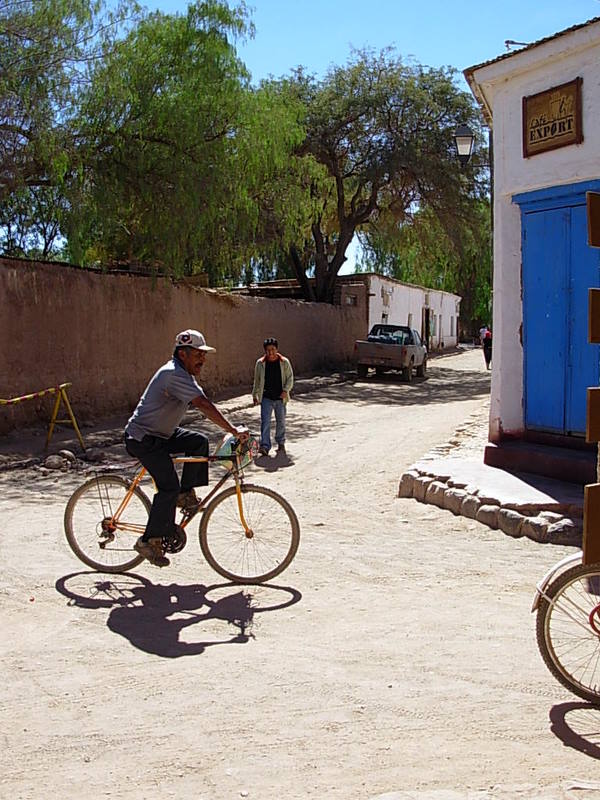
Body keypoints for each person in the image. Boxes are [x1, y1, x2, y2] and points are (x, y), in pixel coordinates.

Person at [124, 329, 248, 567]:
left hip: (162, 435)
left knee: (198, 442)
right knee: (167, 486)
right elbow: (203, 405)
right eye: (198, 354)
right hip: (143, 438)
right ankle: (148, 541)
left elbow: (204, 403)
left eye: (204, 354)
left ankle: (184, 495)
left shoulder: (185, 375)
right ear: (183, 354)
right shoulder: (174, 374)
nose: (203, 359)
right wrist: (232, 430)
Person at [252, 337, 294, 456]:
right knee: (265, 422)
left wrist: (286, 390)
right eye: (268, 350)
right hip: (266, 397)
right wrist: (255, 394)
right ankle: (265, 446)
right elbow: (257, 380)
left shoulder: (284, 362)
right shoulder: (260, 363)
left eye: (273, 349)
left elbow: (290, 378)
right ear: (265, 351)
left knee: (281, 421)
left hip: (280, 398)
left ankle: (280, 442)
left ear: (277, 349)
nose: (271, 352)